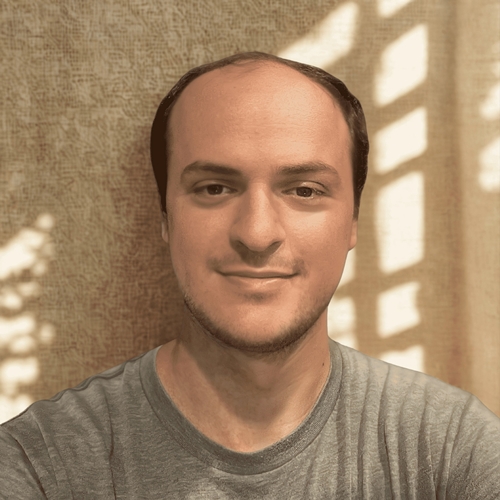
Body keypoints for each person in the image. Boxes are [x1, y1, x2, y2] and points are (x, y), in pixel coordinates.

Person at [1, 51, 499, 498]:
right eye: (214, 188)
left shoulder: (453, 450)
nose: (257, 234)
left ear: (352, 221)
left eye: (304, 190)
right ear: (165, 218)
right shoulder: (39, 466)